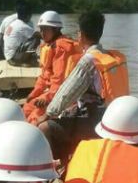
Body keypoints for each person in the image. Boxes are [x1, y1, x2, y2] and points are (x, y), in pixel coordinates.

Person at [34, 11, 129, 166]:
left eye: (78, 31)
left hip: (98, 121)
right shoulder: (113, 57)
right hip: (116, 117)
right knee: (68, 114)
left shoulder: (89, 60)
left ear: (81, 34)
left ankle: (58, 167)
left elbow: (66, 94)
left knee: (44, 127)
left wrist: (47, 114)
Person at [22, 11, 81, 124]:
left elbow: (59, 82)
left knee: (34, 118)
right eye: (41, 29)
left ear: (56, 30)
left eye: (45, 29)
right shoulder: (50, 46)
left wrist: (46, 98)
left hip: (62, 95)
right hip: (52, 92)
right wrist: (34, 93)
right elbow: (45, 75)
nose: (42, 33)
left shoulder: (61, 49)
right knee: (26, 108)